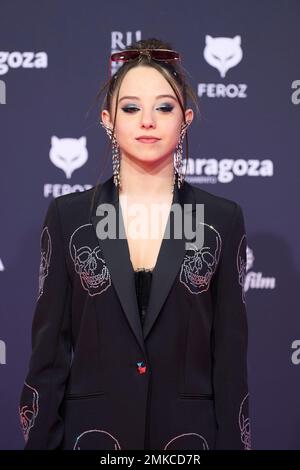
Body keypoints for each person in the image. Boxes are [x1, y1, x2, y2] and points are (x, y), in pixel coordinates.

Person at [19, 38, 251, 450]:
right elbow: (48, 357)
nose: (148, 121)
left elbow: (230, 361)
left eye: (164, 107)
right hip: (91, 438)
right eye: (131, 108)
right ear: (108, 120)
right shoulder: (69, 217)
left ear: (186, 119)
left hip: (188, 443)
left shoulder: (221, 219)